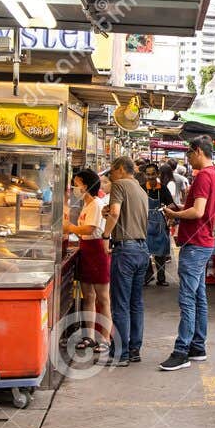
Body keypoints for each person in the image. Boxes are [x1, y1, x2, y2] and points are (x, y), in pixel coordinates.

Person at [159, 135, 215, 371]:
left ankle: (182, 350)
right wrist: (179, 209)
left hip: (196, 244)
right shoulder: (213, 175)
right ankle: (197, 346)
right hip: (202, 242)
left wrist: (175, 215)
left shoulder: (204, 176)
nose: (187, 158)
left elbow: (198, 212)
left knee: (187, 297)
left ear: (198, 151)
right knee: (198, 296)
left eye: (188, 153)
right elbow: (200, 211)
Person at [104, 156, 151, 366]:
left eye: (112, 172)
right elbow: (125, 214)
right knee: (136, 303)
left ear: (121, 169)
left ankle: (120, 354)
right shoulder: (141, 190)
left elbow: (114, 212)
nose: (111, 177)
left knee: (120, 304)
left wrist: (106, 235)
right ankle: (134, 350)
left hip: (125, 250)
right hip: (142, 250)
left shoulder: (119, 184)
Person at [64, 169, 112, 355]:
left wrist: (71, 227)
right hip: (86, 249)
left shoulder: (97, 205)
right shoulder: (86, 205)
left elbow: (90, 228)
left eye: (77, 183)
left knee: (103, 298)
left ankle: (105, 338)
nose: (75, 188)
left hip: (97, 251)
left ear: (85, 185)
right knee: (88, 296)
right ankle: (89, 335)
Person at [142, 160, 176, 286]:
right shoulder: (141, 187)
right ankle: (147, 276)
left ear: (157, 174)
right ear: (145, 175)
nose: (150, 176)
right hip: (144, 222)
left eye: (153, 174)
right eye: (148, 174)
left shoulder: (162, 188)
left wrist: (169, 215)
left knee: (160, 252)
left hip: (160, 223)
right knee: (145, 252)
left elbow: (171, 204)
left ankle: (161, 279)